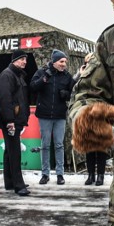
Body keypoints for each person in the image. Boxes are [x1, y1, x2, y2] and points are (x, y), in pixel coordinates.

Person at [30, 49, 74, 185]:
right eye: (61, 62)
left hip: (60, 115)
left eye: (65, 62)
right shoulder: (42, 72)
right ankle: (45, 174)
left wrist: (66, 94)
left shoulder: (66, 76)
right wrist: (45, 78)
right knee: (45, 145)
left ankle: (60, 174)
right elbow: (32, 87)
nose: (64, 64)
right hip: (44, 115)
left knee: (59, 145)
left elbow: (72, 91)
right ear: (54, 62)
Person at [0, 49, 31, 196]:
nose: (25, 62)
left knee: (10, 150)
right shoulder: (7, 75)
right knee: (14, 151)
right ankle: (19, 185)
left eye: (26, 59)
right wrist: (9, 120)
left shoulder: (17, 75)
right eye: (22, 59)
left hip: (16, 119)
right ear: (14, 60)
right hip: (10, 120)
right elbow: (5, 99)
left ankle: (9, 182)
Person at [73, 53, 107, 186]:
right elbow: (74, 88)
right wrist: (79, 75)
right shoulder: (82, 75)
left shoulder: (103, 74)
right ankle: (91, 174)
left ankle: (100, 176)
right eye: (87, 62)